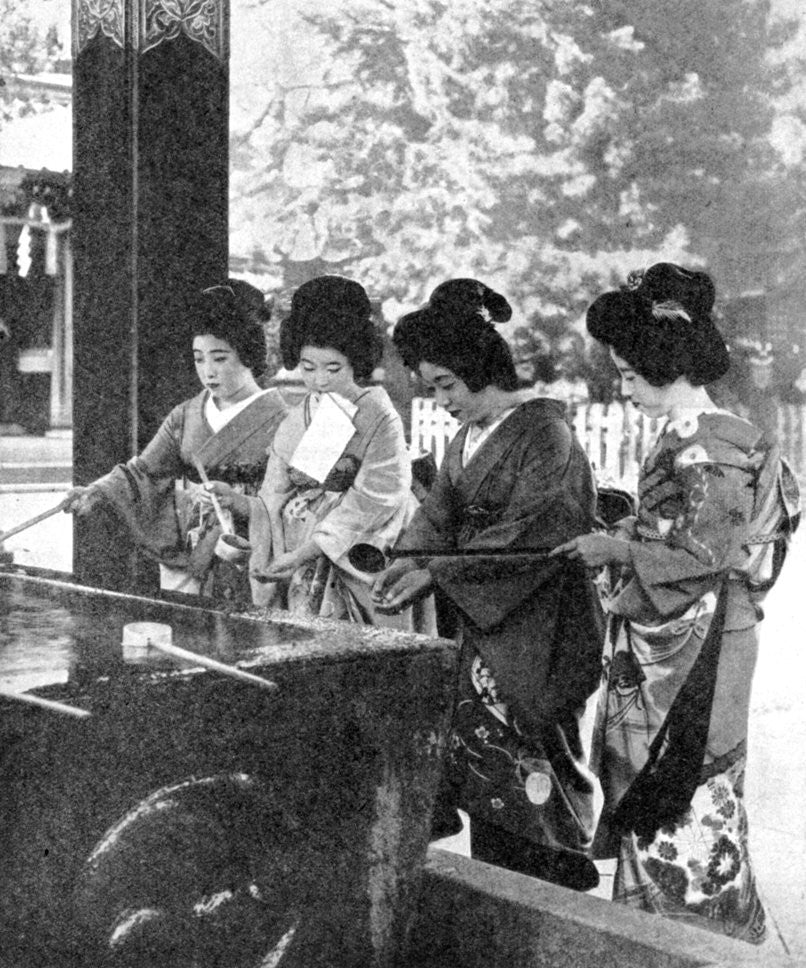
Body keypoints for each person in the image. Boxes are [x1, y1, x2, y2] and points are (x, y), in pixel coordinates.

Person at [551, 263, 800, 942]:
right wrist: (628, 533)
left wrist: (623, 552)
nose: (624, 388)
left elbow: (706, 557)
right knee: (650, 774)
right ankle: (651, 921)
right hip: (671, 629)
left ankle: (705, 931)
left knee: (691, 778)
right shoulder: (686, 435)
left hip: (706, 636)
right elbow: (675, 534)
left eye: (631, 375)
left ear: (666, 366)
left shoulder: (716, 443)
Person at [372, 279, 604, 890]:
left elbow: (537, 534)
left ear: (481, 369)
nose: (440, 399)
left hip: (536, 618)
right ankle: (499, 884)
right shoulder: (464, 438)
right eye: (431, 387)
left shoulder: (545, 434)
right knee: (484, 757)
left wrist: (438, 570)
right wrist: (409, 560)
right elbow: (437, 516)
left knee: (533, 745)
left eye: (447, 384)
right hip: (483, 614)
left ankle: (553, 879)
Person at [63, 280, 288, 607]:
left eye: (220, 358)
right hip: (189, 548)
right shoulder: (186, 415)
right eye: (199, 359)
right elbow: (143, 472)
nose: (208, 372)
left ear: (249, 355)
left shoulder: (282, 419)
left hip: (248, 546)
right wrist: (95, 491)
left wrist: (242, 502)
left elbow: (290, 500)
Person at [239, 275, 429, 630]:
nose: (320, 381)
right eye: (308, 368)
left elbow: (379, 494)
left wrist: (308, 549)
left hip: (363, 545)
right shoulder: (298, 419)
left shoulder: (378, 413)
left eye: (333, 368)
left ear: (356, 361)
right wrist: (274, 551)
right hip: (298, 549)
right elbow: (272, 493)